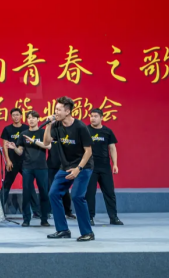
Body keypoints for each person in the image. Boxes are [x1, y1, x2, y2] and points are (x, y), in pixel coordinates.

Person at [44, 96, 95, 242]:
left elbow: (88, 151)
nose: (56, 112)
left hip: (83, 166)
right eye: (55, 109)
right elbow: (46, 142)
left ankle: (88, 232)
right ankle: (63, 230)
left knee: (77, 196)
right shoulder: (56, 125)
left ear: (67, 111)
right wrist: (48, 125)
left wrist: (78, 169)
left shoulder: (80, 127)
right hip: (66, 166)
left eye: (58, 110)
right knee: (53, 193)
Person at [9, 110, 51, 227]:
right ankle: (26, 219)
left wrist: (34, 141)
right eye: (29, 118)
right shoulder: (24, 134)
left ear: (38, 119)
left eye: (33, 118)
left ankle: (44, 219)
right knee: (26, 193)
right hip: (27, 167)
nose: (31, 120)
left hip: (41, 167)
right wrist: (14, 148)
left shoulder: (43, 132)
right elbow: (20, 152)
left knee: (44, 193)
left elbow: (48, 146)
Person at [86, 109, 123, 226]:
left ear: (102, 118)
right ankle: (89, 217)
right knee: (90, 193)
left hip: (105, 167)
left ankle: (113, 217)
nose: (93, 118)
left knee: (109, 193)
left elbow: (112, 148)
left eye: (95, 116)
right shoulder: (85, 130)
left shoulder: (107, 131)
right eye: (91, 116)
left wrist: (115, 164)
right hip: (90, 167)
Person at [0, 108, 40, 217]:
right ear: (11, 117)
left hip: (25, 162)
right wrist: (8, 160)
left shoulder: (26, 128)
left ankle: (37, 211)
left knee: (30, 185)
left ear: (21, 116)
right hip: (12, 162)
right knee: (6, 185)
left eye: (17, 115)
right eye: (13, 115)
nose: (15, 117)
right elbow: (5, 146)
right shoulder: (7, 129)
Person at [47, 125, 76, 220]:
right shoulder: (49, 136)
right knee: (50, 189)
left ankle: (68, 211)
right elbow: (44, 143)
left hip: (64, 166)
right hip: (51, 165)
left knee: (65, 190)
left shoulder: (66, 136)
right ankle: (48, 211)